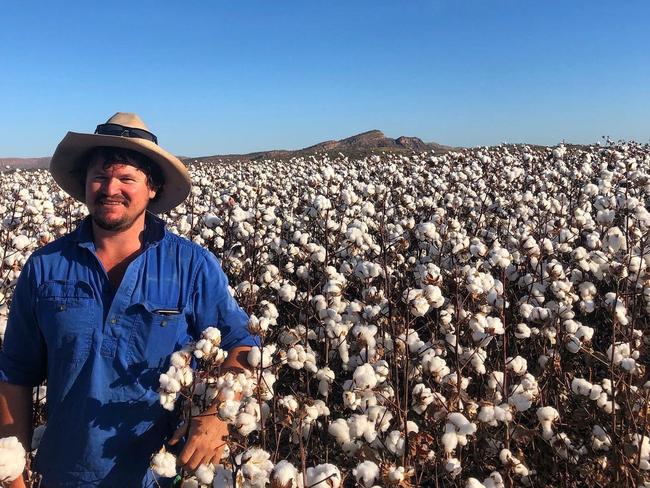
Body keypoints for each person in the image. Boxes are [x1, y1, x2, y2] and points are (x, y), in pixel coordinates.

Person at [0, 113, 258, 487]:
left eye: (126, 178)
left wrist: (217, 412)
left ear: (151, 188)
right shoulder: (45, 267)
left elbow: (243, 345)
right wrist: (11, 472)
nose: (110, 188)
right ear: (85, 183)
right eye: (100, 176)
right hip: (63, 474)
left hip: (159, 476)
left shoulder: (191, 265)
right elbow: (14, 375)